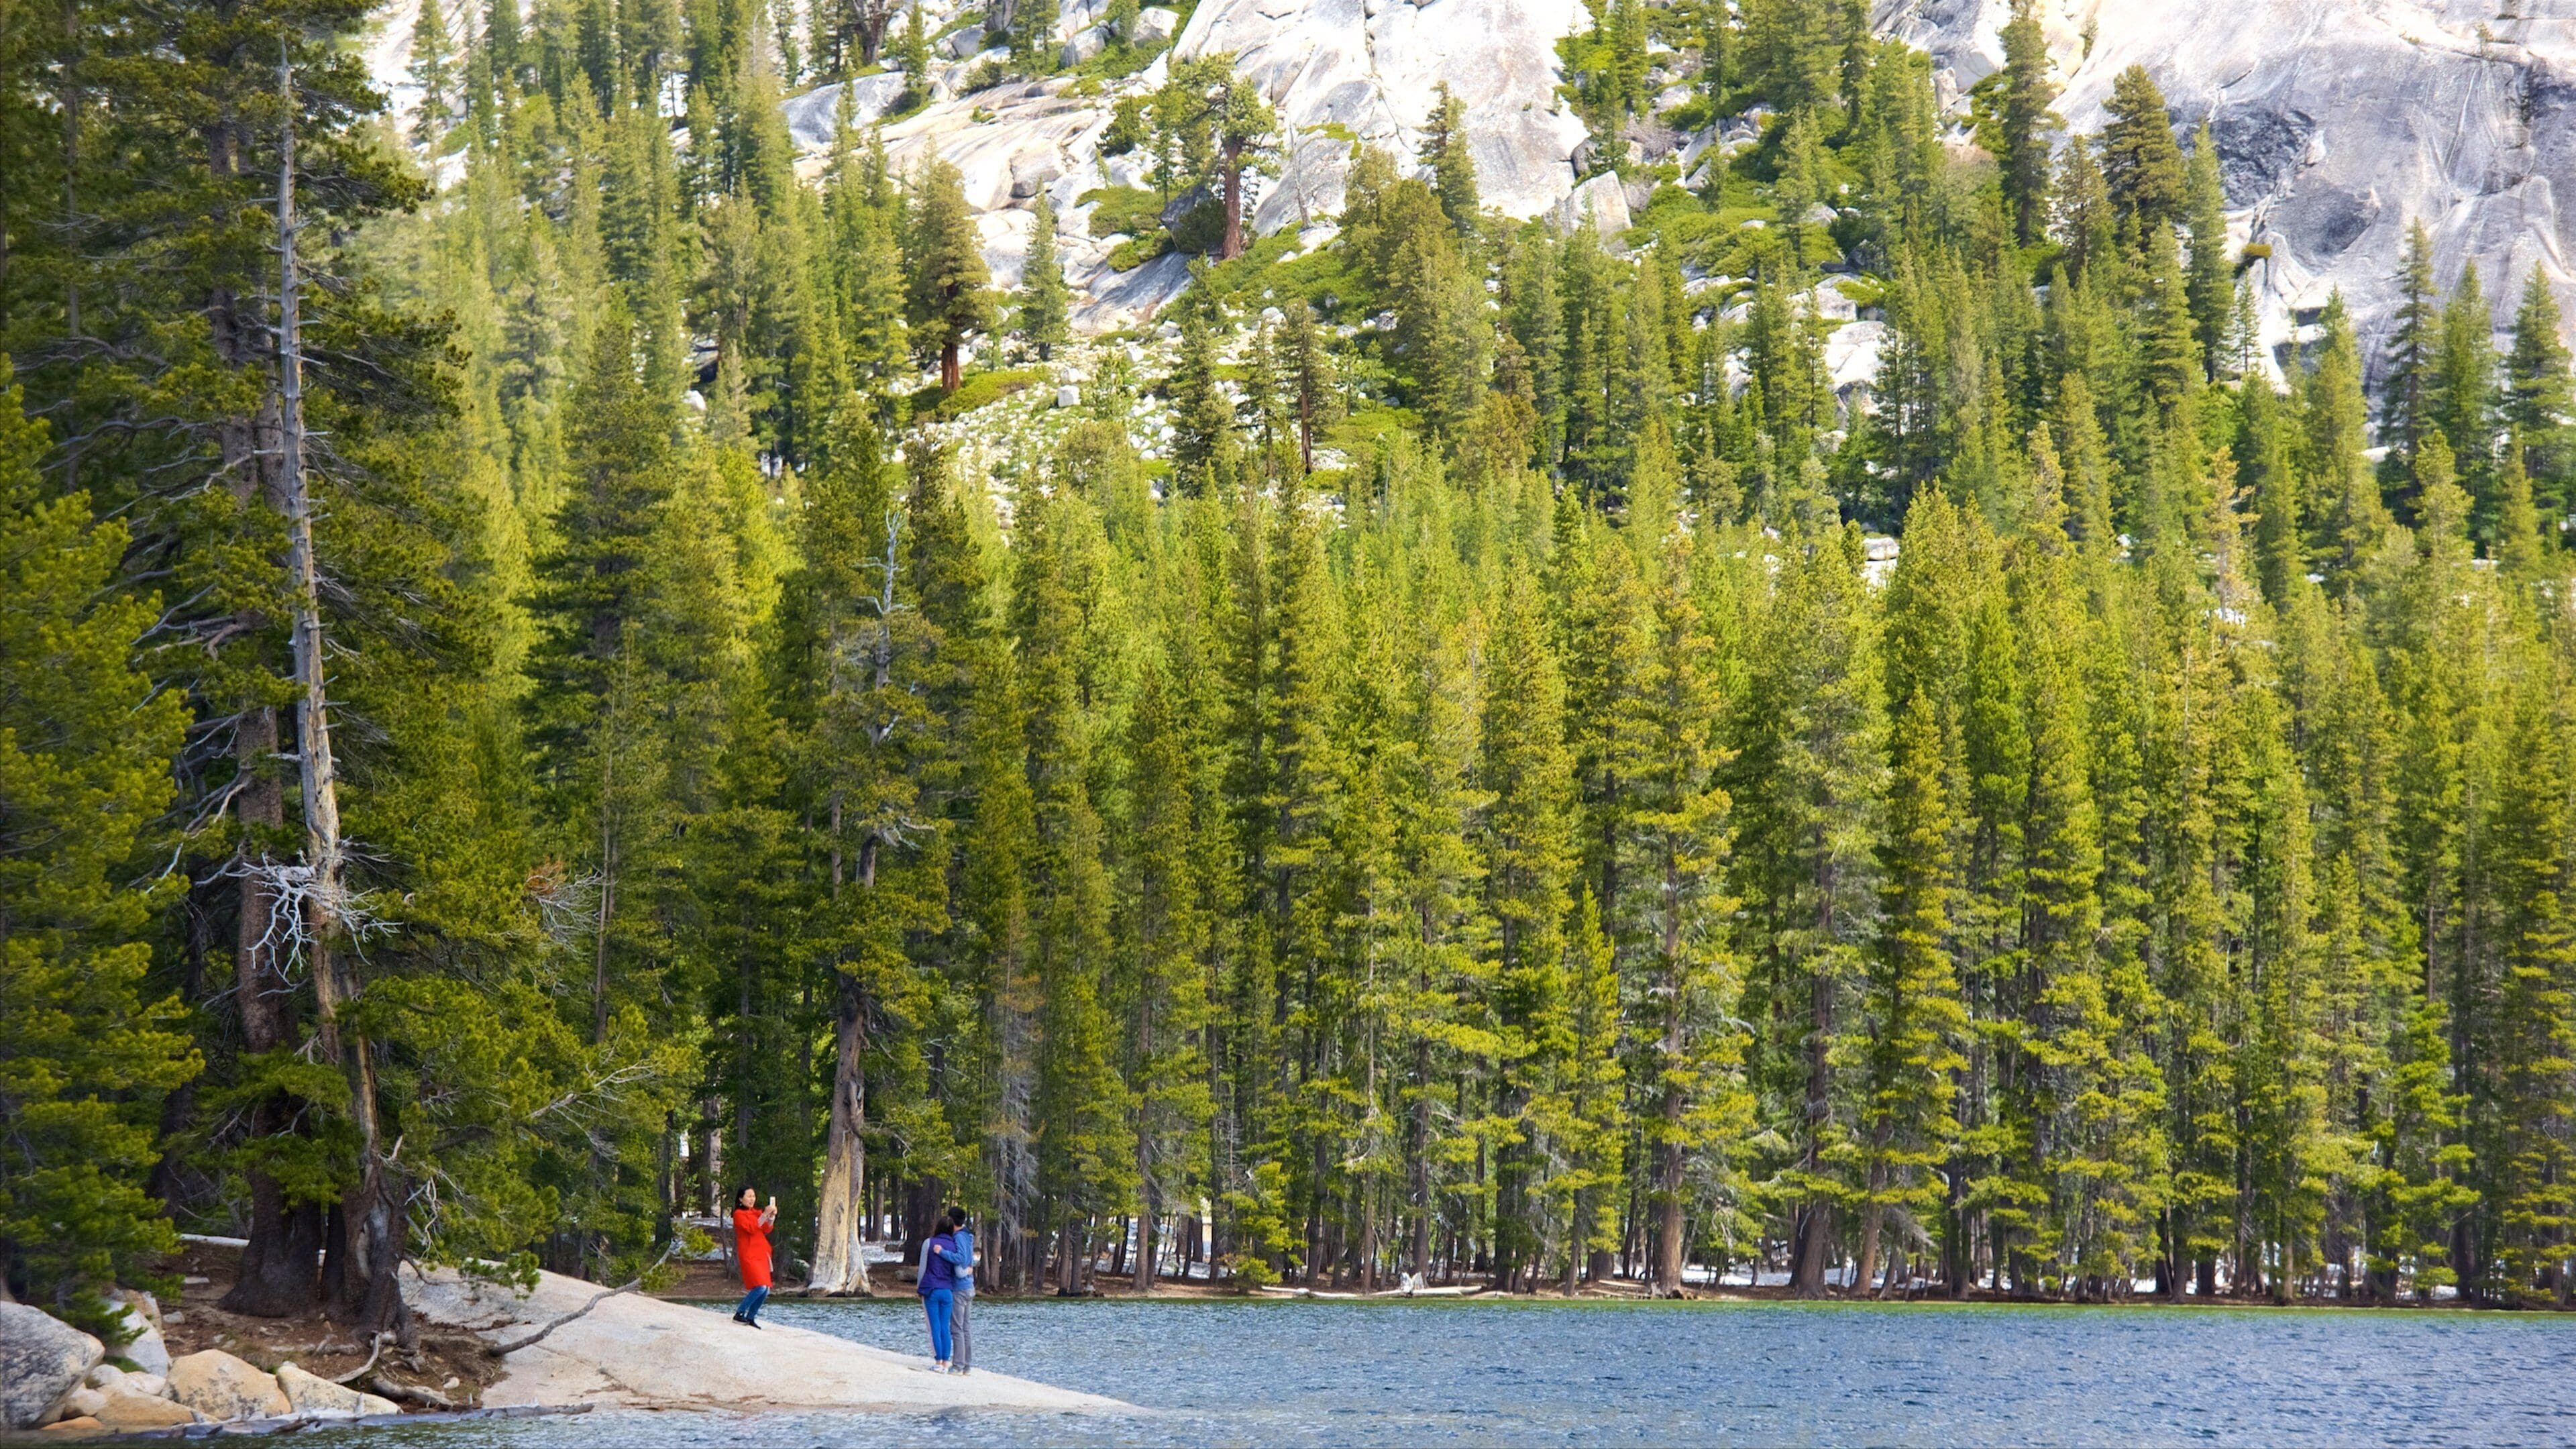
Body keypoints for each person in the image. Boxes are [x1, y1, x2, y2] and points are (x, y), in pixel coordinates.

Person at [731, 1186, 777, 1329]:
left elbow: (766, 1229)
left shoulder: (755, 1213)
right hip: (749, 1253)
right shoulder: (738, 1214)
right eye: (749, 1196)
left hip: (761, 1253)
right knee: (760, 1286)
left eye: (753, 1196)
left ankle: (751, 1317)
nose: (752, 1199)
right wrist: (764, 1214)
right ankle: (740, 1313)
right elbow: (751, 1228)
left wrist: (771, 1216)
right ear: (741, 1199)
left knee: (766, 1288)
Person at [936, 1208, 975, 1375]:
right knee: (965, 1328)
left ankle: (958, 1365)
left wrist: (941, 1252)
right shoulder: (968, 1236)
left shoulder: (959, 1237)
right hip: (969, 1286)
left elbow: (960, 1258)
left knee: (957, 1328)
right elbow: (969, 1259)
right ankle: (967, 1366)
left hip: (960, 1288)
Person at [918, 1214, 958, 1371]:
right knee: (945, 1327)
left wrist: (920, 1289)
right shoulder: (954, 1246)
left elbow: (923, 1267)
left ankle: (938, 1361)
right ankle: (946, 1362)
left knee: (935, 1326)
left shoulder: (929, 1243)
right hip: (947, 1290)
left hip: (931, 1289)